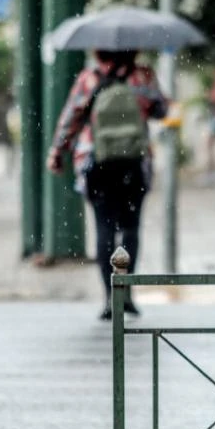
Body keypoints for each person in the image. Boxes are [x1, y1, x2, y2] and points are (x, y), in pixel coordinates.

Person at [46, 50, 167, 320]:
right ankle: (127, 294)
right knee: (131, 228)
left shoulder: (90, 79)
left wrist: (57, 151)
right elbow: (162, 109)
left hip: (96, 161)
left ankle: (109, 296)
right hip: (135, 161)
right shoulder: (142, 76)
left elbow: (71, 117)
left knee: (104, 227)